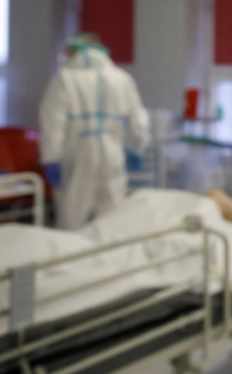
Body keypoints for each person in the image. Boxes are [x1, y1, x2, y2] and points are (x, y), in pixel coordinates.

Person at [39, 34, 150, 230]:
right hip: (113, 150)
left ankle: (71, 254)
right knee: (113, 208)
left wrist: (51, 157)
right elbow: (138, 116)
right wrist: (139, 145)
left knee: (73, 210)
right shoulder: (122, 78)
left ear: (74, 52)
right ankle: (112, 254)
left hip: (78, 151)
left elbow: (53, 121)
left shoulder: (66, 78)